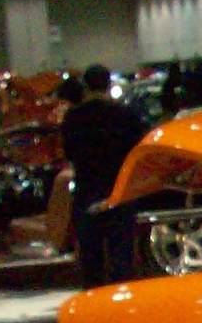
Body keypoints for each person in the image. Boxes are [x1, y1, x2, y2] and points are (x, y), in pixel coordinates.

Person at [63, 64, 149, 286]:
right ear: (109, 84)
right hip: (119, 190)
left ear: (86, 86)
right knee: (122, 253)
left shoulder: (73, 118)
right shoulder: (126, 115)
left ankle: (94, 299)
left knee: (91, 256)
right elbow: (140, 148)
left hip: (87, 190)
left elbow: (69, 152)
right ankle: (121, 299)